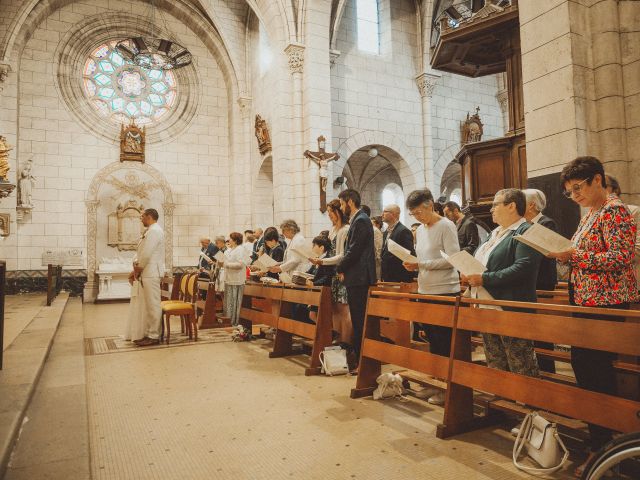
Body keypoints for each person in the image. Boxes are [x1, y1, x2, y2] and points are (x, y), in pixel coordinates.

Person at [547, 157, 638, 474]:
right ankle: (601, 441)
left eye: (577, 188)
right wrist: (563, 256)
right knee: (585, 368)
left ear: (597, 180)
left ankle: (605, 445)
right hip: (587, 301)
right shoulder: (591, 214)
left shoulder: (615, 211)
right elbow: (584, 256)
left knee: (594, 370)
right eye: (569, 192)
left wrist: (574, 255)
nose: (574, 196)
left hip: (606, 302)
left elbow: (622, 257)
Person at [461, 189, 542, 377]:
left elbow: (523, 268)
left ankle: (527, 403)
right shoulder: (495, 233)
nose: (491, 210)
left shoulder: (527, 230)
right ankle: (501, 401)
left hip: (511, 306)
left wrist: (484, 278)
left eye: (495, 204)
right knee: (495, 359)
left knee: (520, 361)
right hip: (487, 304)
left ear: (512, 206)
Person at [402, 189, 461, 406]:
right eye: (413, 214)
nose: (416, 217)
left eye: (418, 212)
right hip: (425, 290)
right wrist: (413, 264)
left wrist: (422, 265)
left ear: (429, 205)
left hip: (445, 290)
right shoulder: (422, 230)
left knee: (445, 343)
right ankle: (435, 383)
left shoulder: (446, 225)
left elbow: (453, 259)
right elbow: (423, 258)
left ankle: (446, 389)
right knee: (432, 341)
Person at [336, 189, 376, 365]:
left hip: (360, 278)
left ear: (350, 202)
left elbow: (354, 250)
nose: (342, 207)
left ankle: (363, 361)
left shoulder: (361, 220)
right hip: (357, 277)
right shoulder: (359, 220)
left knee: (360, 321)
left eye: (343, 203)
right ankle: (360, 359)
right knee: (359, 319)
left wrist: (340, 267)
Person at [521, 188, 559, 374]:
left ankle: (547, 371)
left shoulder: (546, 223)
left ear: (532, 205)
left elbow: (547, 251)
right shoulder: (523, 224)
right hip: (528, 282)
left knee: (542, 332)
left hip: (542, 282)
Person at [310, 199, 352, 343]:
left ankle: (346, 343)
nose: (329, 215)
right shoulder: (333, 230)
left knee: (344, 311)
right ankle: (337, 338)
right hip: (332, 274)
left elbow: (341, 255)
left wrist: (321, 261)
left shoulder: (345, 229)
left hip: (341, 274)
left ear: (338, 212)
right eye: (327, 212)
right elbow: (329, 252)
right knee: (334, 310)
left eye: (331, 212)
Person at [129, 209, 165, 347]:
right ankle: (150, 333)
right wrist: (136, 268)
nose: (141, 219)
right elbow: (142, 252)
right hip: (147, 271)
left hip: (151, 271)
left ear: (149, 217)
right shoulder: (151, 230)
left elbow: (147, 253)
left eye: (142, 216)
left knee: (153, 304)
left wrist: (138, 269)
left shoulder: (155, 231)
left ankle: (154, 336)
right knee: (149, 305)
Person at [606, 175, 640, 292]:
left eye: (604, 186)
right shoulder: (590, 215)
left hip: (629, 281)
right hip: (603, 285)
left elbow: (637, 249)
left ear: (615, 190)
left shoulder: (634, 211)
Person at [219, 232, 249, 327]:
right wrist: (219, 262)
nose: (229, 240)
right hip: (229, 278)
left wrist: (225, 264)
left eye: (230, 238)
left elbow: (241, 265)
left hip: (237, 279)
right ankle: (228, 319)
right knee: (229, 300)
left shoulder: (240, 250)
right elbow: (223, 262)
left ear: (235, 240)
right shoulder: (228, 250)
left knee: (235, 301)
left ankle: (235, 321)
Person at [381, 204, 415, 283]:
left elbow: (410, 255)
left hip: (399, 277)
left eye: (385, 212)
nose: (382, 214)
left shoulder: (403, 231)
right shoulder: (386, 232)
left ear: (393, 214)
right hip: (388, 276)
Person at [371, 216, 383, 281]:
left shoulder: (376, 231)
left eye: (372, 224)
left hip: (377, 263)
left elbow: (379, 248)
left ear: (378, 225)